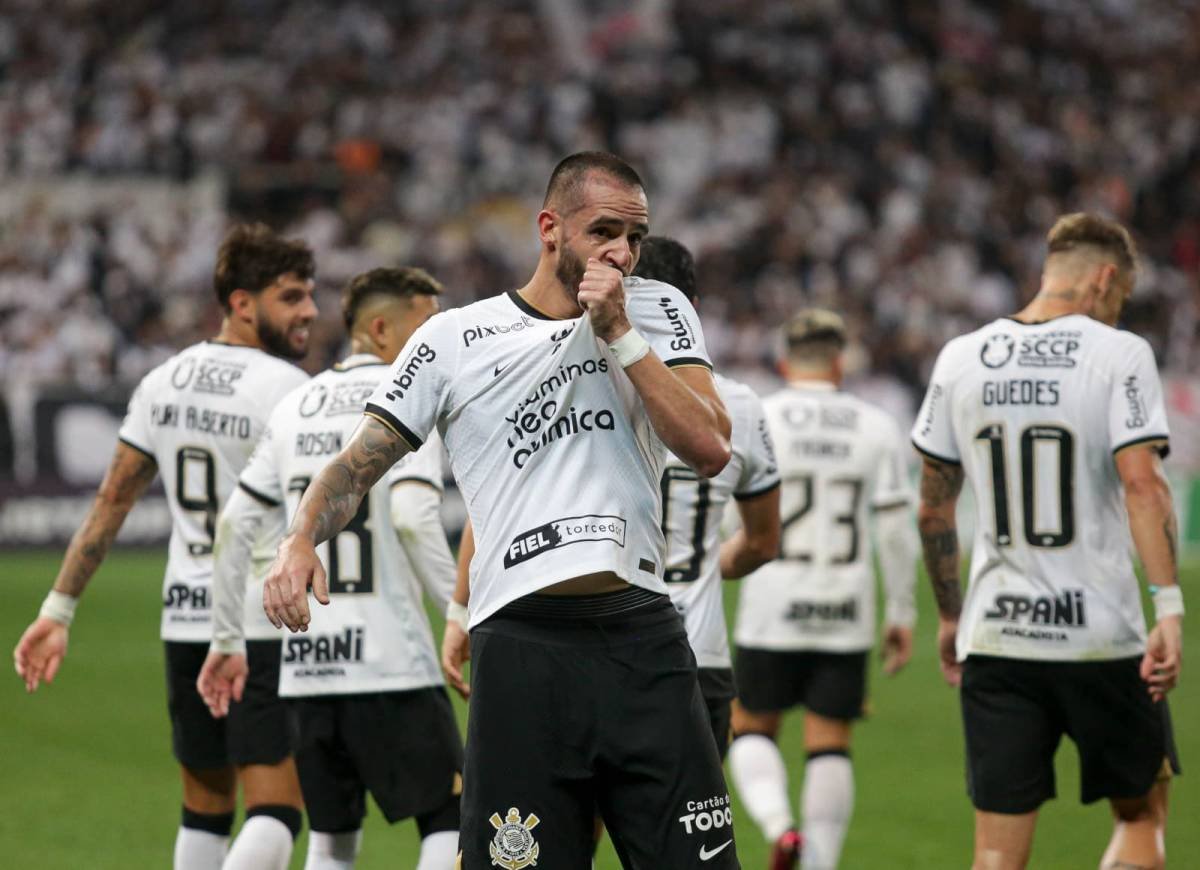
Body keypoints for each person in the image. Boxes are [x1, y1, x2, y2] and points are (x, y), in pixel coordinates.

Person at [262, 151, 741, 869]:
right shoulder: (453, 341)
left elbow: (708, 446)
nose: (623, 251)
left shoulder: (655, 310)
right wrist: (300, 538)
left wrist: (620, 333)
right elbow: (358, 464)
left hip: (642, 640)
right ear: (550, 228)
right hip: (522, 651)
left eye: (636, 236)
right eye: (604, 230)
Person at [13, 224, 317, 869]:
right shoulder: (288, 390)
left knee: (205, 804)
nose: (309, 312)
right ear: (241, 303)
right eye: (290, 297)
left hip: (185, 618)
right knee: (278, 810)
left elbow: (112, 500)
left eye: (309, 296)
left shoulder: (163, 381)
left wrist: (58, 610)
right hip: (258, 624)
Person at [911, 212, 1182, 870]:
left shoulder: (962, 356)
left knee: (997, 856)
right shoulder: (1119, 353)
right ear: (1106, 278)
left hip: (998, 636)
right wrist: (1168, 604)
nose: (1117, 313)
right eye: (1119, 299)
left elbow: (934, 509)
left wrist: (950, 614)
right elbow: (1143, 487)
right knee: (1142, 813)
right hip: (1101, 638)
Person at [197, 266, 462, 870]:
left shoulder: (296, 404)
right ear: (380, 328)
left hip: (308, 668)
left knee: (331, 837)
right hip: (393, 663)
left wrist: (225, 638)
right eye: (425, 324)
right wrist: (460, 610)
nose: (436, 339)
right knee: (449, 819)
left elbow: (234, 526)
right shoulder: (408, 396)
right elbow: (413, 517)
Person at [727, 309, 918, 870]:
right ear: (840, 364)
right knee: (830, 738)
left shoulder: (760, 417)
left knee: (751, 725)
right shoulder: (875, 425)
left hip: (772, 604)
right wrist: (901, 611)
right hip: (846, 607)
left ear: (785, 362)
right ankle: (821, 864)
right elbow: (895, 530)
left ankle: (781, 827)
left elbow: (726, 522)